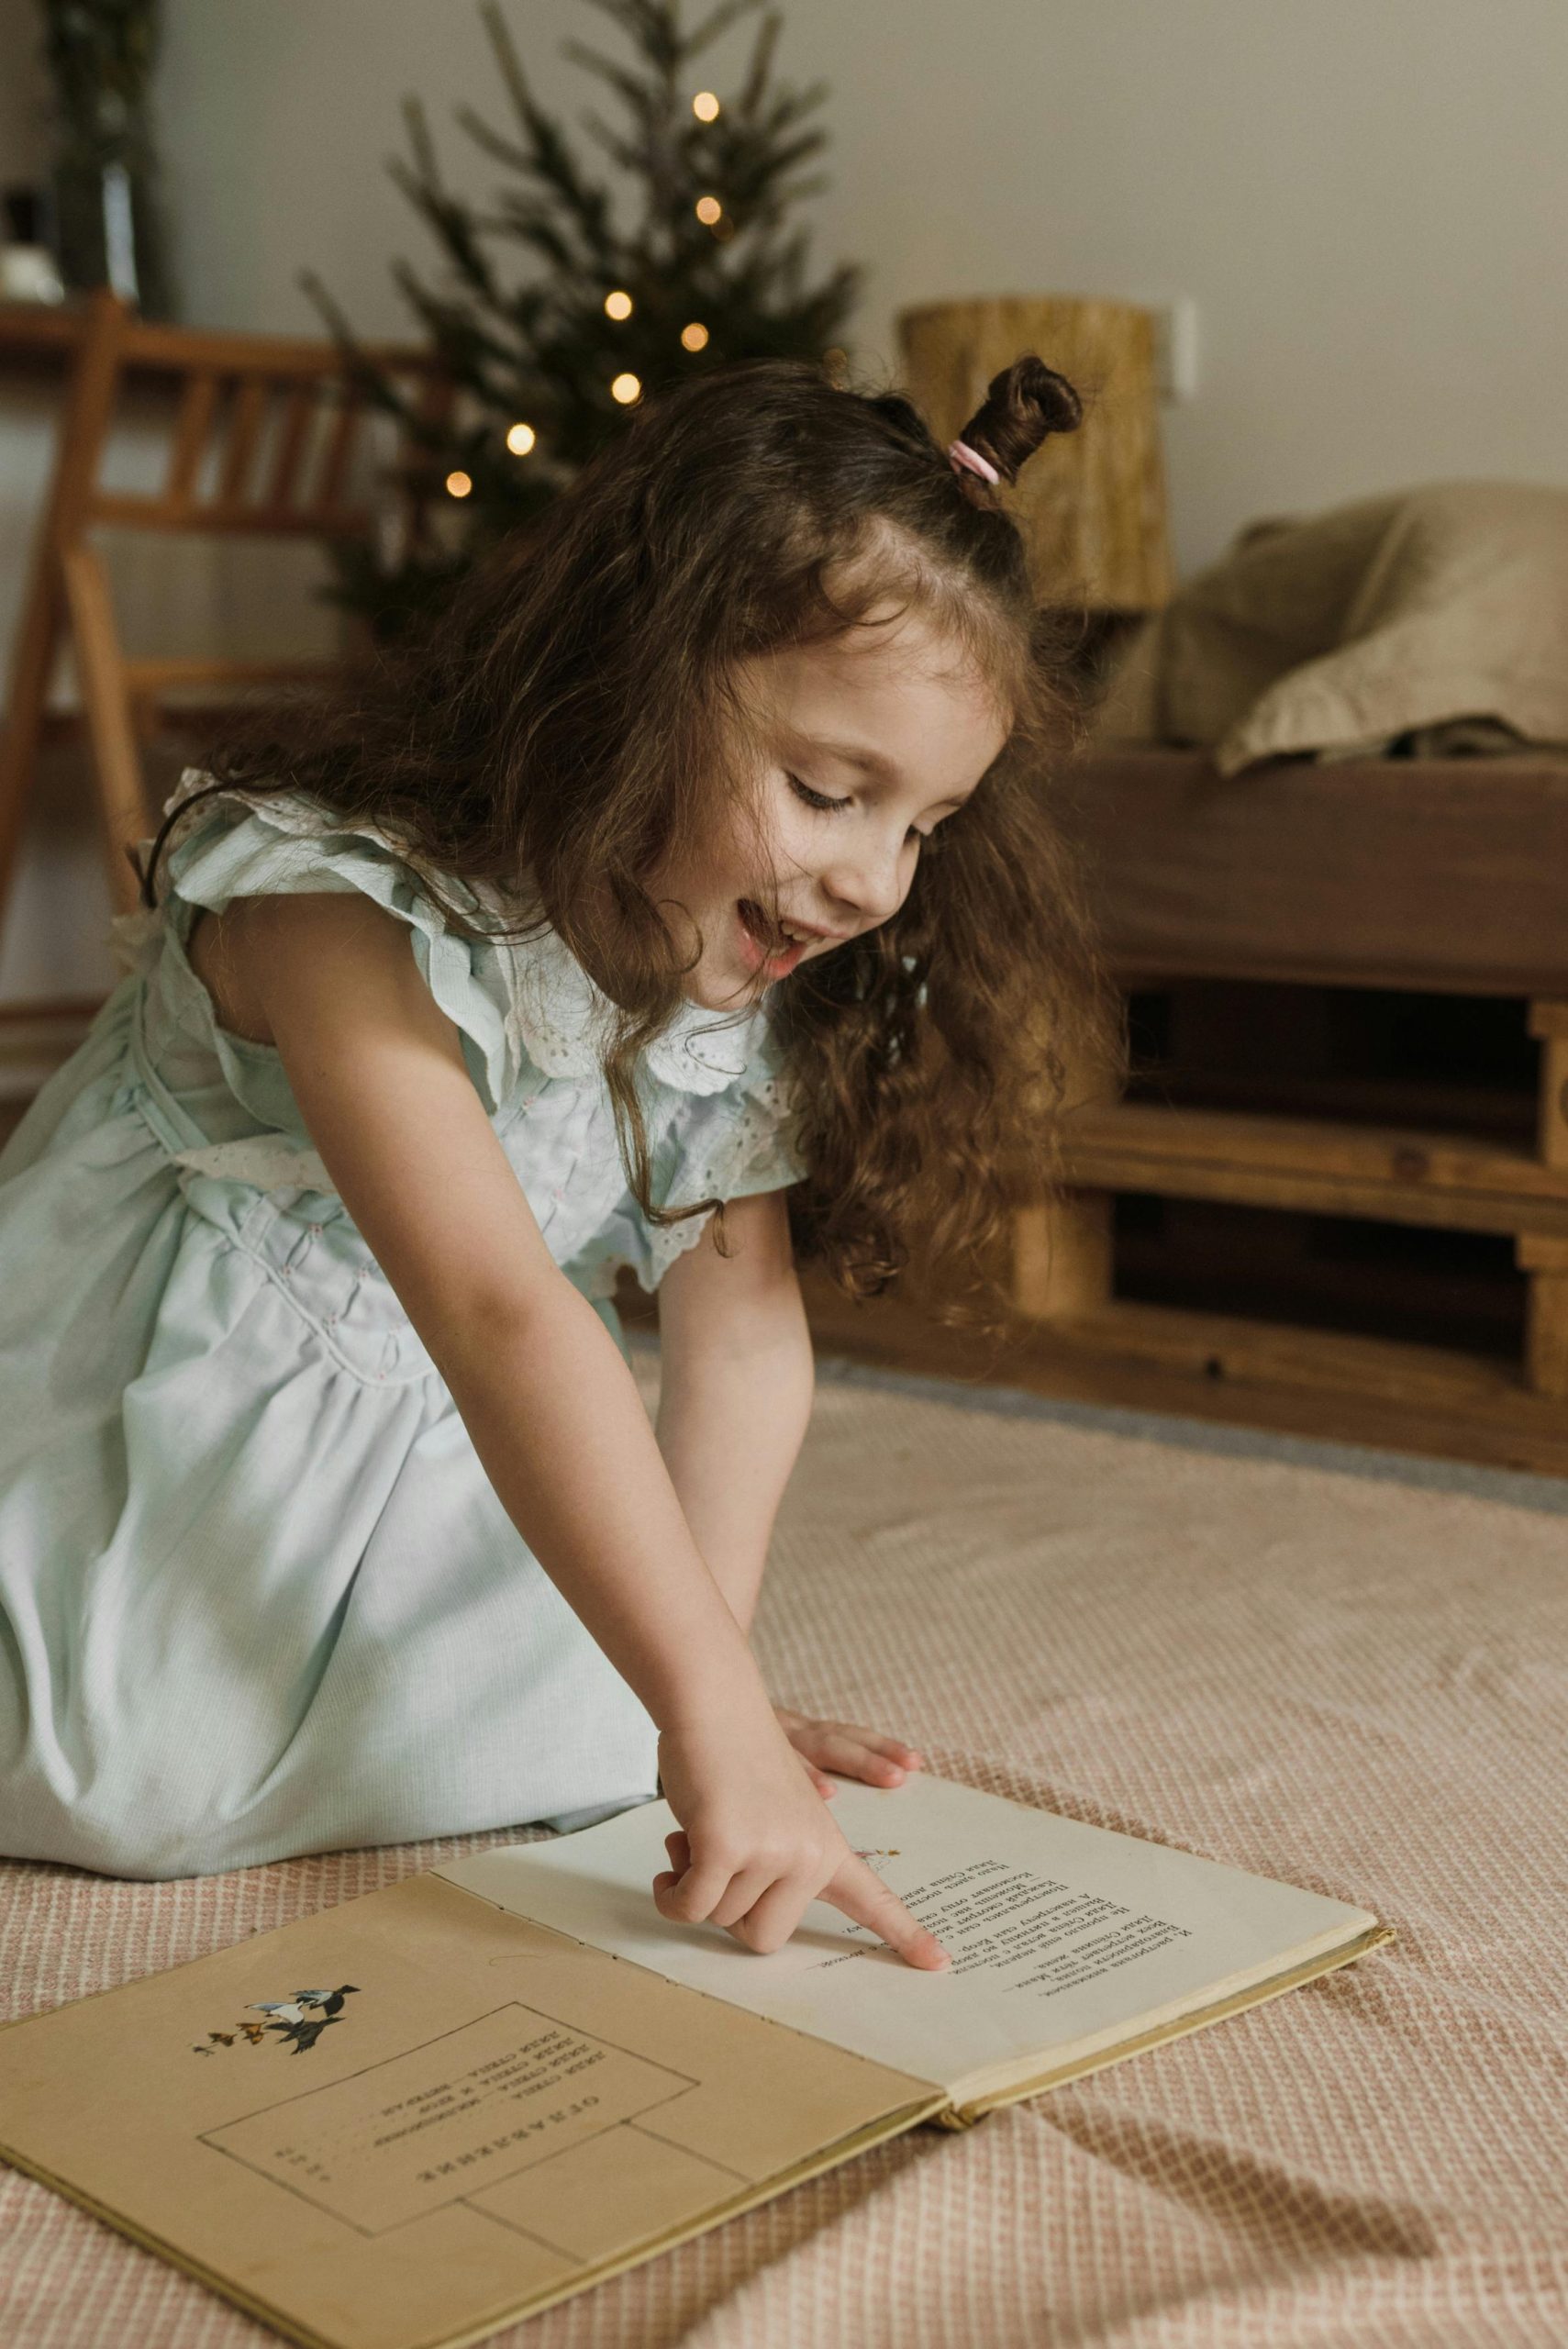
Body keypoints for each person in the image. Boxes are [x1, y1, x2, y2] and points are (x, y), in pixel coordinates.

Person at [0, 353, 1115, 1964]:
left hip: (451, 1454)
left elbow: (743, 1343)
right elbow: (497, 1310)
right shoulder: (328, 902)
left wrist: (698, 1701)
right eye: (825, 790)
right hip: (154, 1446)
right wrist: (705, 1711)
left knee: (589, 1734)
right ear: (633, 678)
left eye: (922, 826)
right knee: (135, 1775)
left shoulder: (724, 983)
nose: (875, 879)